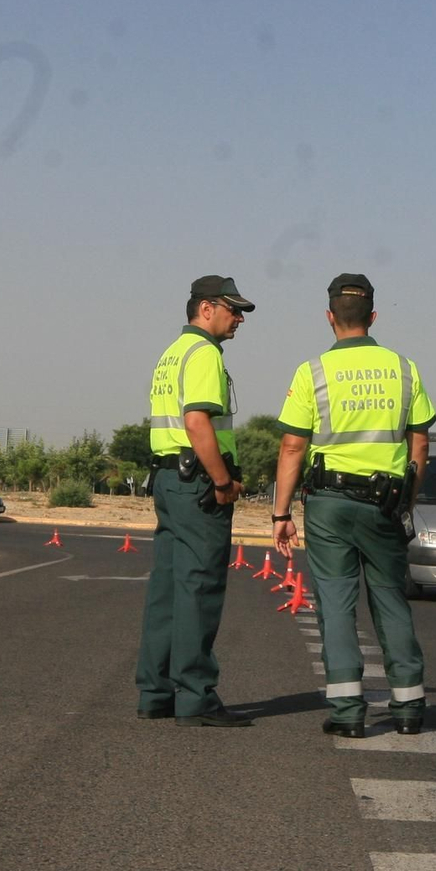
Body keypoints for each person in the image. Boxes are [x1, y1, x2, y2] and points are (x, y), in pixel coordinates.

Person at [271, 273, 436, 739]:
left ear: (329, 318)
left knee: (336, 605)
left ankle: (347, 713)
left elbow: (291, 447)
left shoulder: (312, 372)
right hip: (385, 504)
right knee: (390, 599)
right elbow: (420, 441)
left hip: (328, 505)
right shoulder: (405, 369)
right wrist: (408, 499)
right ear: (373, 317)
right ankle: (409, 708)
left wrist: (281, 514)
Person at [135, 275, 255, 728]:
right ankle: (195, 697)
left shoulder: (172, 353)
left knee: (166, 588)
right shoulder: (204, 353)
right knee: (199, 589)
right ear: (206, 309)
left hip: (169, 481)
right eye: (233, 309)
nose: (239, 319)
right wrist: (223, 481)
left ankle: (155, 692)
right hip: (199, 485)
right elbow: (198, 422)